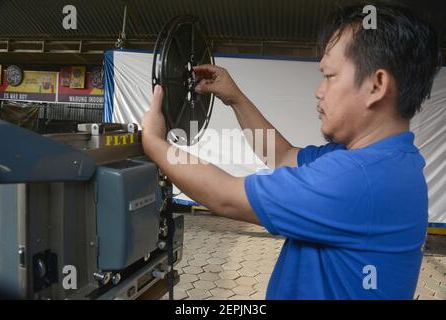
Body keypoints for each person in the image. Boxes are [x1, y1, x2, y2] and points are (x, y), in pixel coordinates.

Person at [141, 3, 442, 299]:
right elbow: (282, 156)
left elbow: (223, 197)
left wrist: (155, 143)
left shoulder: (359, 179)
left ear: (376, 85)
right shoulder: (388, 162)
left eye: (330, 76)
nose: (319, 90)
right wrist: (235, 98)